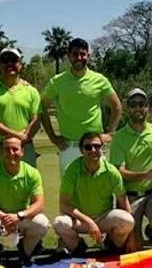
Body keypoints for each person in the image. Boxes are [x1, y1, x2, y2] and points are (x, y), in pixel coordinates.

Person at [41, 38, 122, 173]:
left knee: (99, 188)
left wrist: (110, 133)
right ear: (69, 56)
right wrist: (53, 137)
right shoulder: (56, 82)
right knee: (70, 192)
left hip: (94, 146)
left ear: (88, 56)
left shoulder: (99, 80)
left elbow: (117, 106)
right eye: (75, 54)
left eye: (83, 54)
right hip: (68, 147)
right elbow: (42, 108)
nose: (79, 57)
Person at [0, 136, 49, 266]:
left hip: (20, 218)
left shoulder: (32, 173)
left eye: (15, 149)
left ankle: (25, 251)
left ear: (22, 151)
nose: (11, 153)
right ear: (1, 152)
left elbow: (39, 204)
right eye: (7, 149)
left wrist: (19, 216)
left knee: (42, 222)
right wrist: (4, 217)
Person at [109, 89, 152, 247]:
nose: (138, 108)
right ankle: (112, 237)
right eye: (133, 104)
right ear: (127, 108)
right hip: (130, 198)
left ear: (147, 107)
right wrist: (146, 175)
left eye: (141, 104)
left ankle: (151, 233)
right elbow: (120, 172)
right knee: (131, 247)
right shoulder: (119, 137)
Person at [52, 132, 136, 255]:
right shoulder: (72, 170)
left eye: (97, 146)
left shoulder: (112, 172)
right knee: (59, 222)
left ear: (102, 148)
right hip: (81, 220)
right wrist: (89, 221)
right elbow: (64, 205)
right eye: (88, 147)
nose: (93, 150)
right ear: (81, 150)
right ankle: (78, 245)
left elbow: (123, 203)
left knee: (128, 220)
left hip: (104, 218)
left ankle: (111, 243)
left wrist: (131, 237)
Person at [0, 47, 40, 167]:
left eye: (14, 60)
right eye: (5, 60)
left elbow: (36, 120)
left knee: (28, 183)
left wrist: (23, 138)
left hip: (25, 146)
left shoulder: (31, 91)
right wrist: (16, 136)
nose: (9, 64)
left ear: (21, 65)